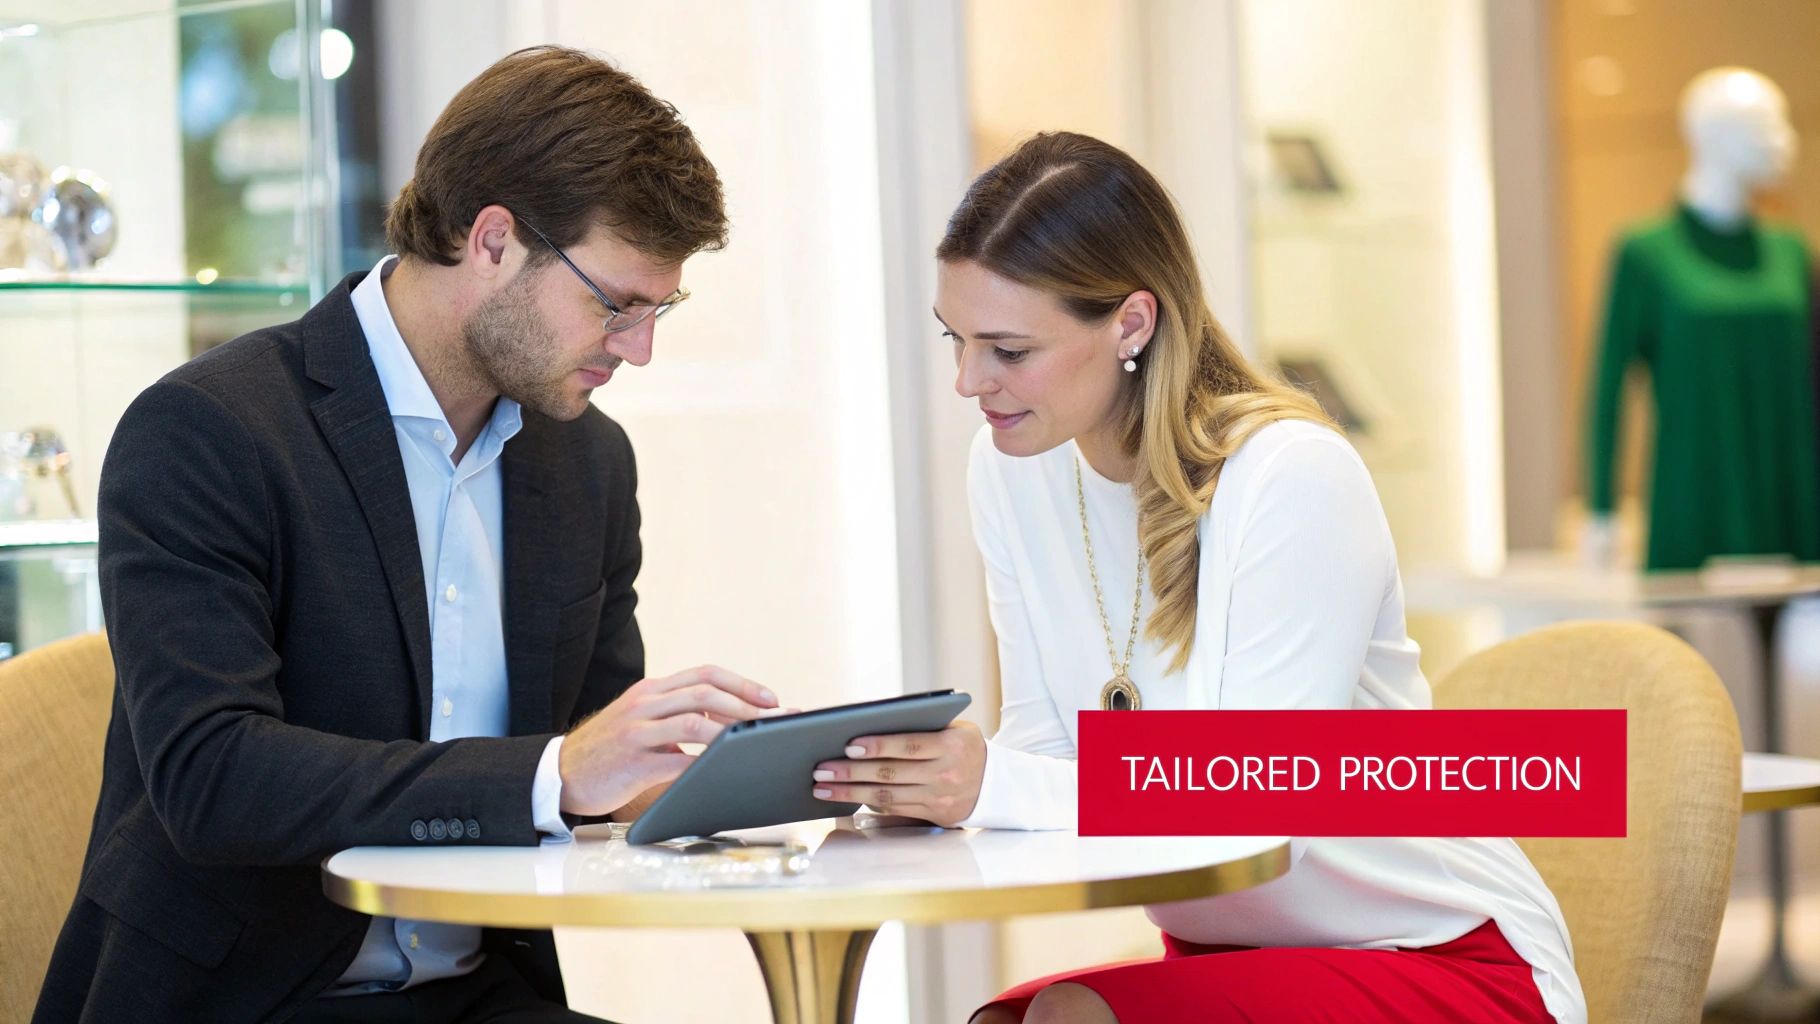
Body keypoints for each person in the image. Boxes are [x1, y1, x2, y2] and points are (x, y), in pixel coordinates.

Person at [33, 46, 785, 1024]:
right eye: (617, 303)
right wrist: (554, 772)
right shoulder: (210, 431)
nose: (638, 349)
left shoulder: (585, 462)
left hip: (473, 995)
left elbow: (593, 762)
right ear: (492, 240)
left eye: (660, 309)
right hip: (243, 999)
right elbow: (209, 773)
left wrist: (748, 779)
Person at [809, 132, 1586, 1024]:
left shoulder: (1291, 474)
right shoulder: (1012, 469)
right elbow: (1047, 753)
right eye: (958, 339)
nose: (967, 381)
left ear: (1131, 323)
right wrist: (925, 795)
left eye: (1008, 350)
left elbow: (1262, 799)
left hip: (1439, 957)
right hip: (1230, 957)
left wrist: (992, 786)